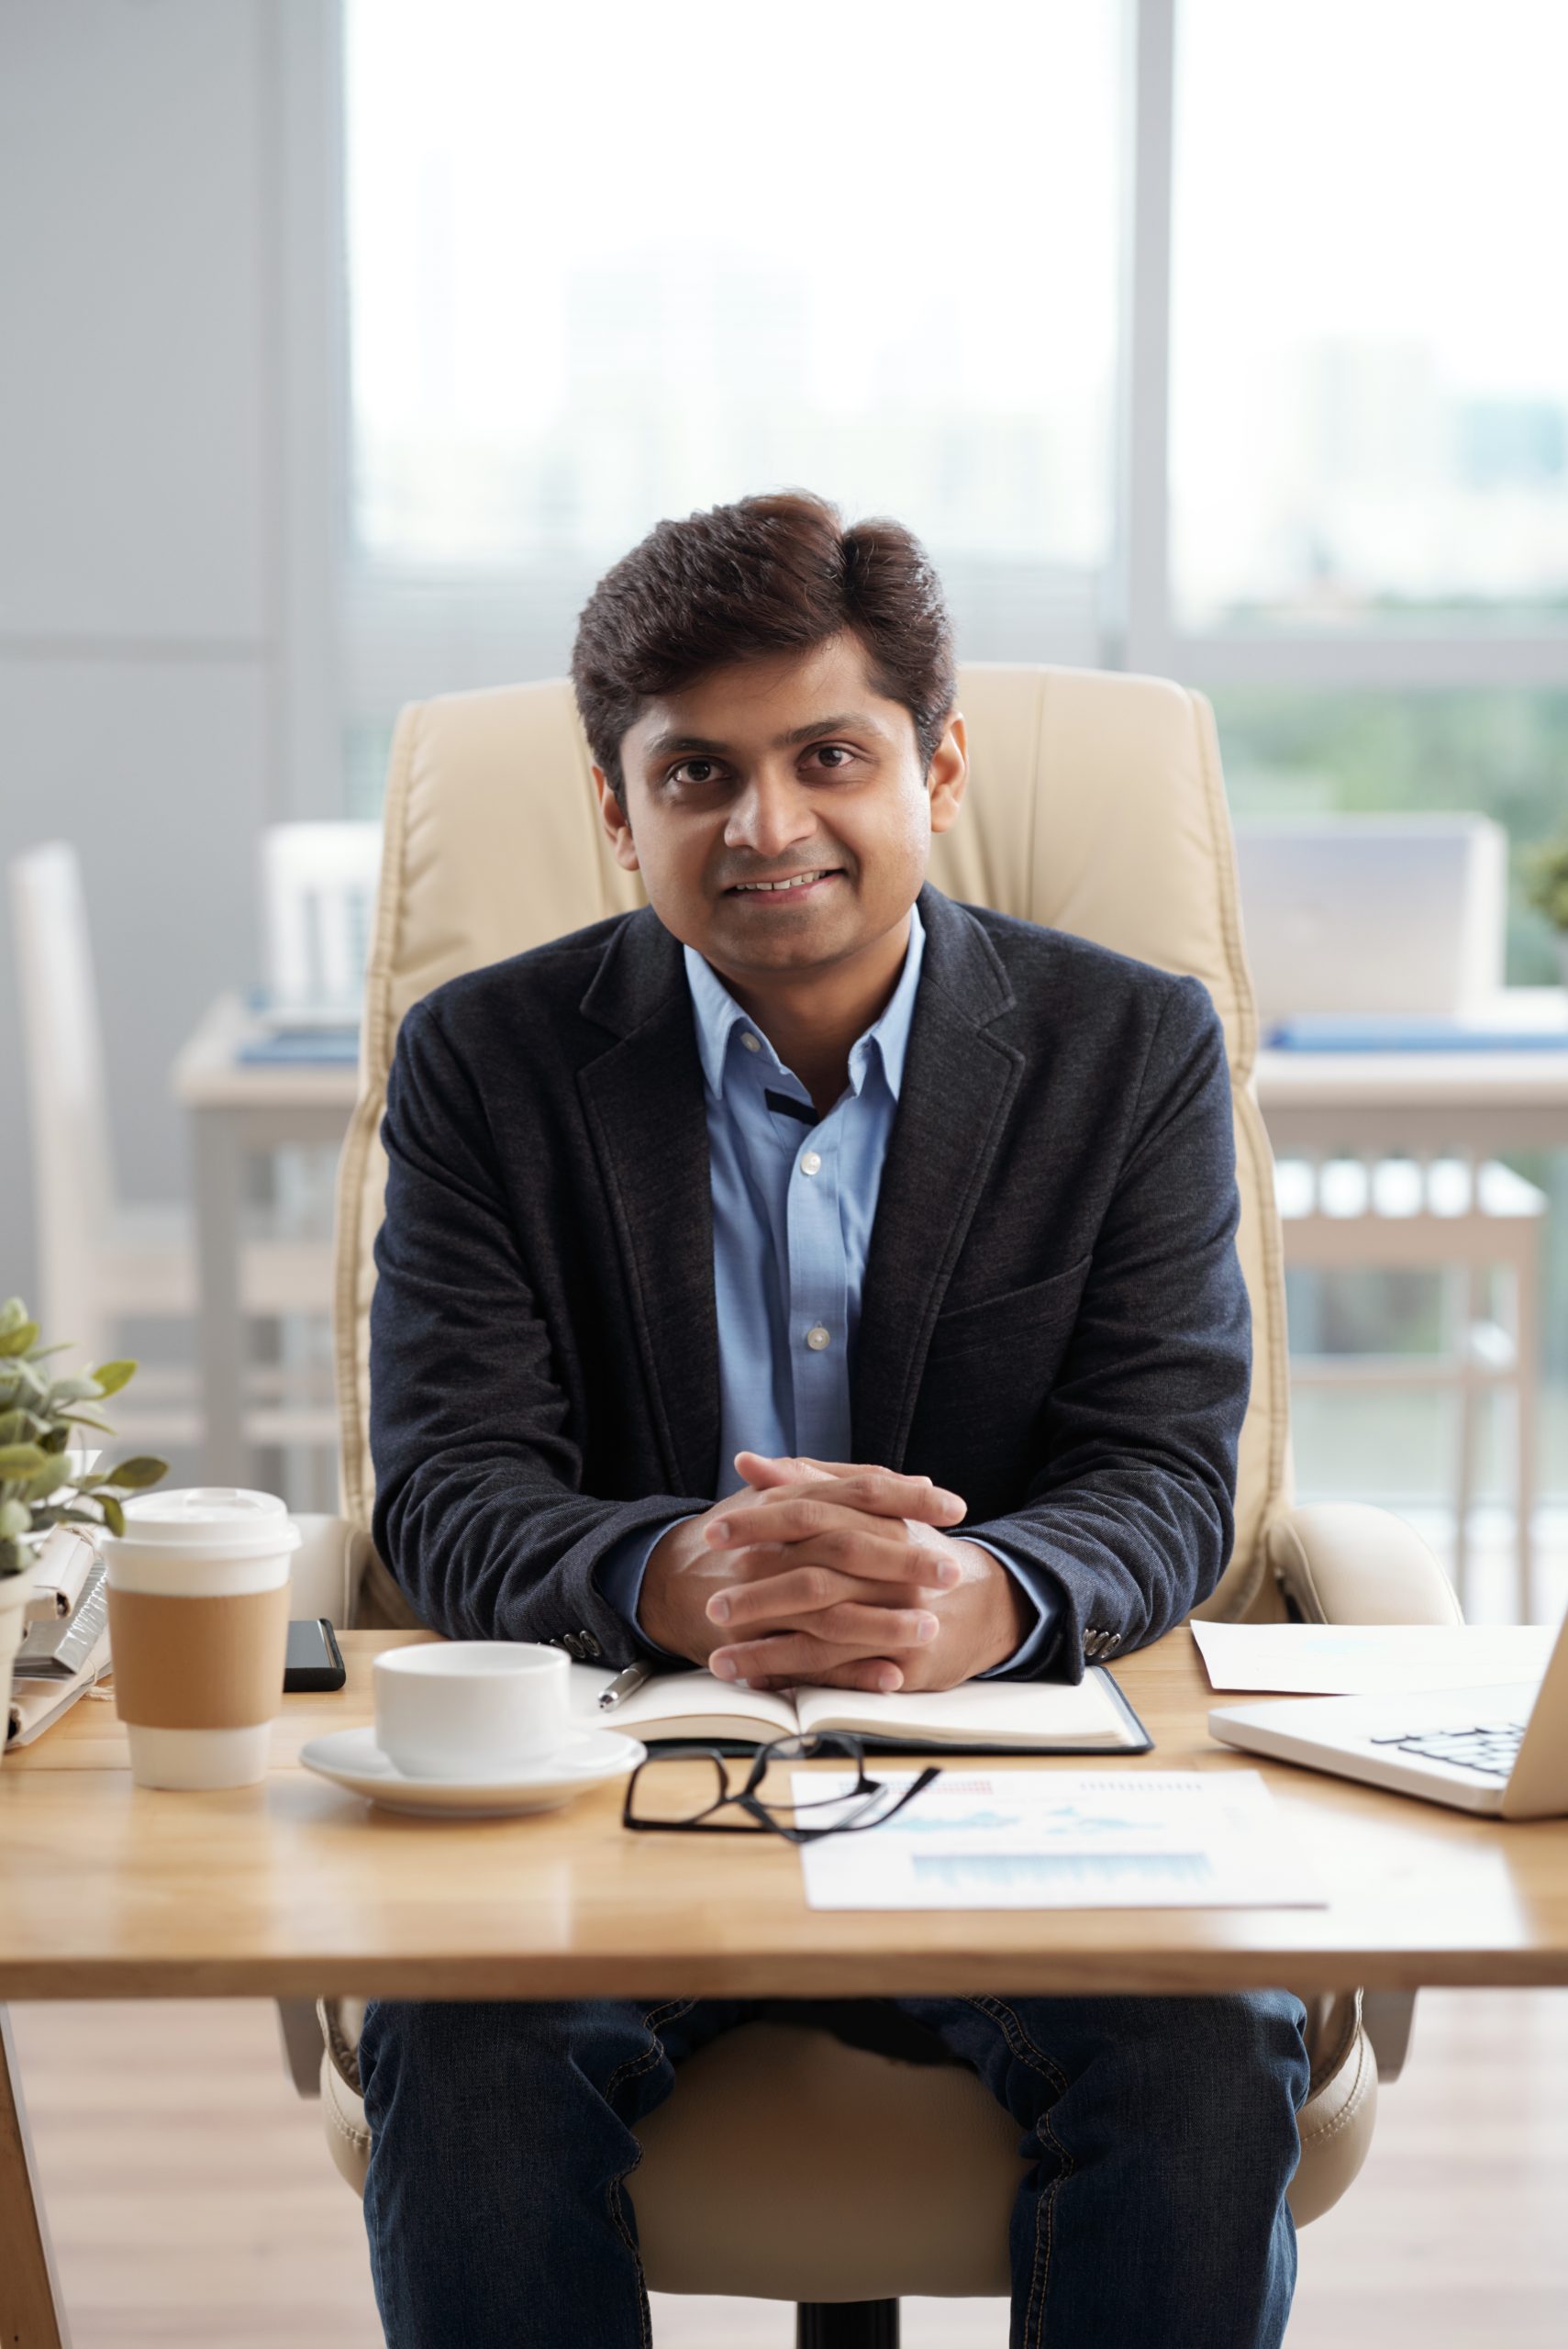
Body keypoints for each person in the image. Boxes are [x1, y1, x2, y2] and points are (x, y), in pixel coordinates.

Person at [359, 491, 1310, 2348]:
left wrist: (987, 1591)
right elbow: (450, 1482)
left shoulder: (1134, 1049)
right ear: (616, 811)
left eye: (828, 755)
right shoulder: (485, 1059)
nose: (766, 822)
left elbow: (1167, 1463)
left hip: (1009, 1774)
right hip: (619, 1774)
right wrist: (671, 1572)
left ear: (936, 767)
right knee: (465, 2054)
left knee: (1202, 2052)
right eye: (698, 772)